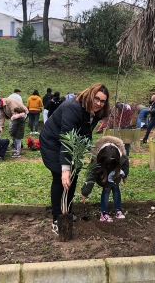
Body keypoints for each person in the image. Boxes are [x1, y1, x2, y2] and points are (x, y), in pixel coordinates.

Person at [39, 83, 110, 235]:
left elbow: (86, 132)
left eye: (102, 101)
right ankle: (57, 219)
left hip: (72, 144)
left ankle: (68, 212)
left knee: (74, 175)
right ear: (90, 94)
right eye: (96, 98)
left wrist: (86, 153)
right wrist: (65, 169)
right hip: (53, 142)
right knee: (60, 177)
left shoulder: (94, 112)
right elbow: (66, 139)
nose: (98, 103)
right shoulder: (73, 107)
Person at [81, 136, 129, 222]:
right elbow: (91, 177)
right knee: (107, 190)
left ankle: (118, 210)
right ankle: (103, 213)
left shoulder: (121, 156)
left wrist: (124, 175)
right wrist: (85, 192)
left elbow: (125, 164)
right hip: (104, 177)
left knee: (116, 189)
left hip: (116, 176)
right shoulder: (96, 162)